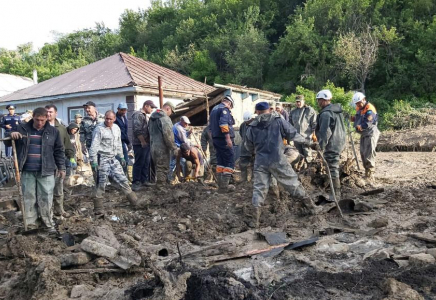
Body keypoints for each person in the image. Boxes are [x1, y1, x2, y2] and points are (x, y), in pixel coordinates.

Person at [245, 102, 319, 227]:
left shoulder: (252, 126)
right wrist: (309, 143)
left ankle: (255, 221)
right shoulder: (278, 120)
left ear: (257, 112)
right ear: (269, 110)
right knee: (292, 183)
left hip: (260, 162)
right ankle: (312, 208)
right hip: (277, 159)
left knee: (259, 189)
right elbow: (293, 134)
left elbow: (248, 146)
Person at [6, 107, 65, 233]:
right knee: (29, 198)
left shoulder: (53, 131)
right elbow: (7, 141)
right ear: (33, 117)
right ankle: (31, 225)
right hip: (27, 170)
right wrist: (11, 135)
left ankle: (47, 224)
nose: (39, 123)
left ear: (46, 119)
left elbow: (59, 150)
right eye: (37, 120)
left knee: (46, 197)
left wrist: (61, 167)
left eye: (42, 120)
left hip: (47, 170)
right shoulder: (22, 128)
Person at [89, 110, 138, 216]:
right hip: (102, 158)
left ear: (114, 119)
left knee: (123, 179)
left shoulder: (116, 128)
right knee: (101, 183)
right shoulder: (99, 129)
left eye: (111, 119)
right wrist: (93, 162)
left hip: (113, 158)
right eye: (107, 118)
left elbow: (118, 144)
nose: (108, 121)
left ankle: (134, 202)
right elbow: (94, 146)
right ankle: (98, 208)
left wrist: (121, 157)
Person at [314, 89, 346, 200]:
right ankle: (335, 191)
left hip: (333, 142)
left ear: (323, 100)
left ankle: (336, 194)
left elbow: (324, 132)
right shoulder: (337, 111)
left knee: (332, 166)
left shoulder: (326, 114)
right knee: (334, 165)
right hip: (340, 140)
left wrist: (320, 147)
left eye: (319, 100)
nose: (318, 103)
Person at [45, 104, 75, 218]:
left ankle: (59, 209)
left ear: (55, 113)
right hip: (45, 163)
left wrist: (70, 155)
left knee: (58, 187)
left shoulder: (61, 129)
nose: (48, 114)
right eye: (47, 112)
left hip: (58, 162)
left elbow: (67, 143)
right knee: (46, 189)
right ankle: (48, 212)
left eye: (51, 112)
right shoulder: (41, 127)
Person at [210, 95, 236, 193]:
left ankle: (220, 187)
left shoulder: (214, 110)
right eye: (231, 107)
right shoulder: (224, 109)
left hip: (216, 139)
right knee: (229, 161)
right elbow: (224, 124)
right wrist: (228, 138)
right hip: (224, 139)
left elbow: (211, 127)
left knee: (220, 162)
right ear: (229, 103)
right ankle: (224, 188)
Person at [352, 92, 380, 181]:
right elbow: (359, 118)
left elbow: (368, 122)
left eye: (359, 103)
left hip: (370, 133)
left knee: (369, 153)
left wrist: (361, 126)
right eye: (356, 103)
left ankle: (370, 174)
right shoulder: (359, 108)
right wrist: (353, 119)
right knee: (363, 153)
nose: (358, 105)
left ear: (364, 99)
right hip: (364, 134)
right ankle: (366, 172)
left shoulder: (369, 109)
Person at [148, 102, 178, 187]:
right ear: (168, 108)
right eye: (171, 111)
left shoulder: (152, 117)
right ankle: (161, 187)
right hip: (162, 147)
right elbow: (168, 135)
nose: (171, 114)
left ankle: (160, 184)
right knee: (162, 167)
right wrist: (173, 147)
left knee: (157, 166)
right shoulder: (165, 118)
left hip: (153, 145)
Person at [131, 100, 157, 190]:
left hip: (146, 143)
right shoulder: (138, 115)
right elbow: (137, 129)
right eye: (151, 107)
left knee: (146, 162)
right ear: (146, 106)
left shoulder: (145, 116)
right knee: (139, 163)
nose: (152, 109)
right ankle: (136, 182)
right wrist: (142, 141)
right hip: (139, 144)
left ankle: (144, 180)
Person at [289, 95, 317, 164]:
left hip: (307, 137)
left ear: (303, 101)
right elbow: (290, 125)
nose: (298, 103)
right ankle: (300, 171)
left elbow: (314, 123)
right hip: (296, 137)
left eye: (300, 101)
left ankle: (310, 170)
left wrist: (315, 134)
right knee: (298, 155)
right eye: (297, 102)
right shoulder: (293, 112)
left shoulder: (310, 110)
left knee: (308, 155)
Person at [80, 101, 104, 176]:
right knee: (94, 165)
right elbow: (82, 133)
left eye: (88, 108)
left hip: (102, 146)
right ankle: (97, 183)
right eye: (85, 108)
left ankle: (104, 184)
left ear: (94, 108)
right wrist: (82, 145)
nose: (87, 109)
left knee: (103, 166)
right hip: (90, 146)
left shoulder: (103, 118)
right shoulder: (84, 120)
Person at [169, 116, 193, 181]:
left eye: (188, 124)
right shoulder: (179, 129)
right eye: (185, 123)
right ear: (182, 121)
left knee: (172, 164)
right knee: (182, 163)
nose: (187, 125)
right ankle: (183, 179)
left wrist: (188, 133)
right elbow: (185, 141)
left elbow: (183, 136)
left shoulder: (176, 125)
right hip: (178, 148)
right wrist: (192, 146)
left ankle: (171, 179)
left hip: (174, 147)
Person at [239, 111, 257, 183]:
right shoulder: (242, 125)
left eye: (248, 121)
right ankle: (243, 179)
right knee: (243, 164)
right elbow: (241, 134)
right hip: (244, 148)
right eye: (246, 122)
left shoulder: (256, 125)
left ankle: (253, 179)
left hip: (254, 148)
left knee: (254, 164)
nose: (247, 123)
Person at [114, 103, 132, 173]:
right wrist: (128, 142)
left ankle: (125, 176)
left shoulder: (124, 118)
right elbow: (121, 133)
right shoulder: (115, 119)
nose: (124, 112)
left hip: (123, 142)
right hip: (117, 143)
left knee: (126, 161)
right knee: (120, 161)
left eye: (125, 110)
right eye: (122, 110)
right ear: (118, 110)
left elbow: (125, 131)